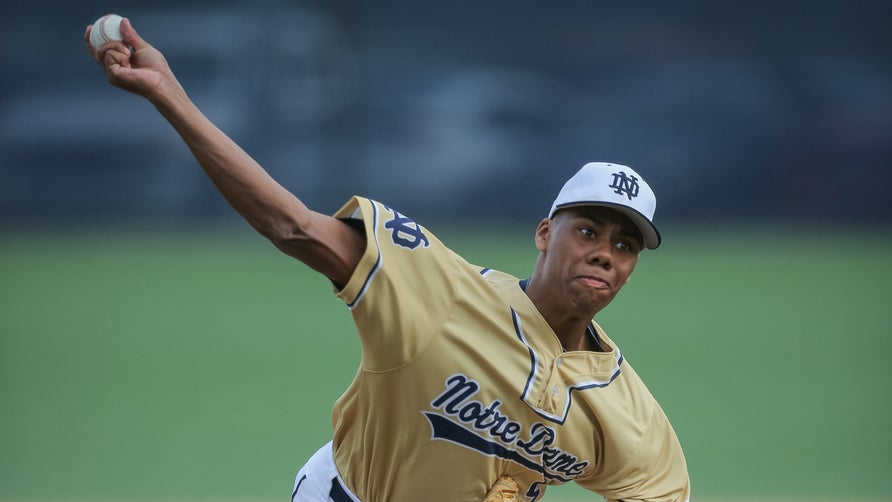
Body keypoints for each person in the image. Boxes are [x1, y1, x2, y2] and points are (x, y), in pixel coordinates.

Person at [86, 17, 690, 502]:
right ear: (543, 233)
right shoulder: (440, 294)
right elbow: (294, 227)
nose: (604, 254)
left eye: (624, 244)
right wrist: (171, 97)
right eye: (587, 229)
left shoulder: (625, 410)